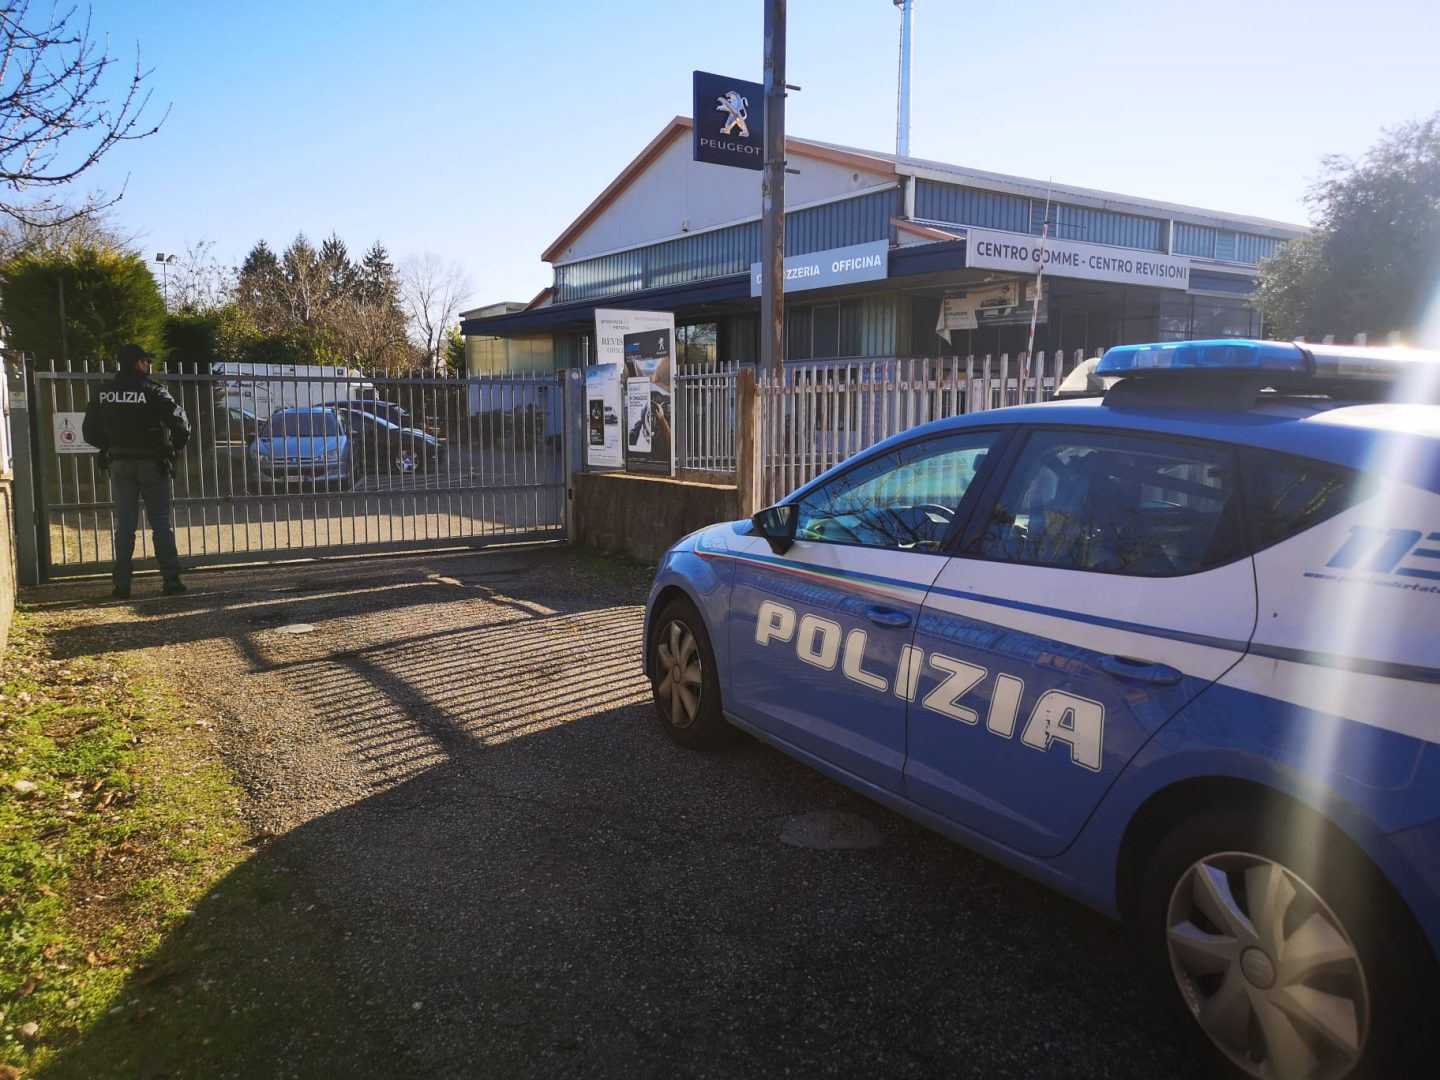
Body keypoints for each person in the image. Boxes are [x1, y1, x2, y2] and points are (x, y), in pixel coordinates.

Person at [82, 343, 192, 598]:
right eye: (145, 361)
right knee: (161, 523)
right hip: (152, 463)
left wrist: (109, 447)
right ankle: (171, 580)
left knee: (125, 525)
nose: (148, 365)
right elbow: (180, 425)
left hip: (120, 463)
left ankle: (122, 585)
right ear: (136, 363)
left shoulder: (103, 392)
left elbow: (89, 431)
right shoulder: (153, 391)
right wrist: (174, 448)